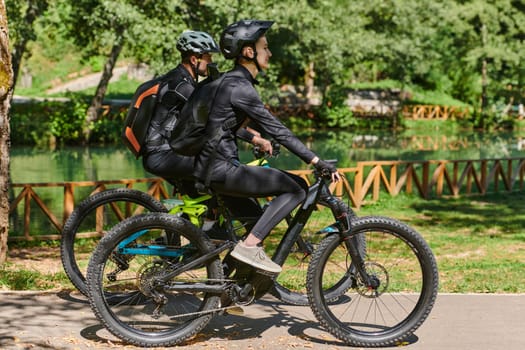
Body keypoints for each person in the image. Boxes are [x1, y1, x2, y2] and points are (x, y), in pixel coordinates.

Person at [192, 20, 341, 273]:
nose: (269, 53)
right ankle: (249, 247)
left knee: (254, 222)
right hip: (222, 170)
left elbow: (222, 126)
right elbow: (277, 129)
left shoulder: (226, 82)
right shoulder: (240, 87)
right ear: (249, 52)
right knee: (297, 188)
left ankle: (227, 289)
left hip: (210, 169)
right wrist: (316, 161)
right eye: (265, 48)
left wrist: (254, 140)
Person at [142, 30, 268, 233]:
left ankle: (199, 234)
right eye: (208, 57)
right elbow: (214, 121)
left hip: (167, 152)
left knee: (212, 183)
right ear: (194, 59)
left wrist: (250, 136)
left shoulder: (182, 81)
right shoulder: (182, 87)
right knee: (219, 171)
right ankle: (213, 230)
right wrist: (252, 137)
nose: (210, 62)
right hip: (163, 154)